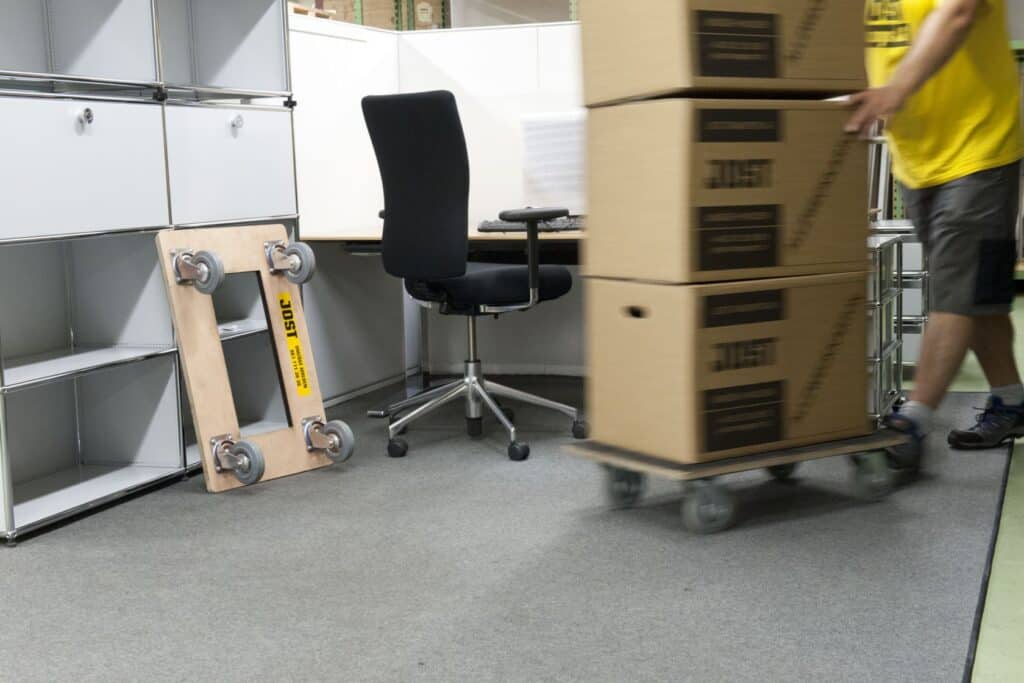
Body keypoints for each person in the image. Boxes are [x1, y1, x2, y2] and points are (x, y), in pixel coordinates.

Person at [848, 0, 1024, 462]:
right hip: (918, 155)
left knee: (956, 290)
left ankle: (913, 422)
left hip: (978, 145)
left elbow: (959, 12)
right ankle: (1012, 400)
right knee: (978, 293)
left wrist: (895, 91)